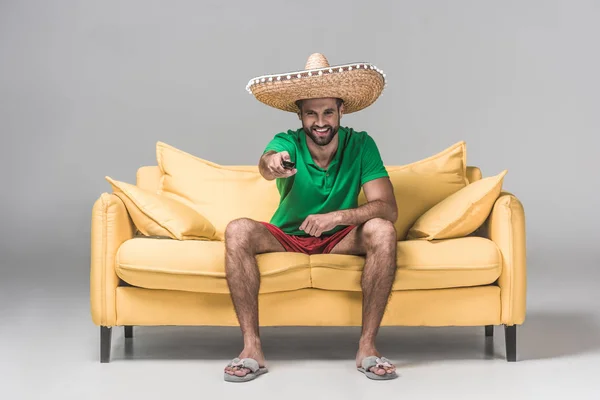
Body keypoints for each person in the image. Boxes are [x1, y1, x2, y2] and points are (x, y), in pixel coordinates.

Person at [223, 53, 398, 382]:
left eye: (328, 112)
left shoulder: (361, 145)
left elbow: (388, 207)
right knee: (237, 230)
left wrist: (337, 217)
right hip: (287, 237)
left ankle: (368, 347)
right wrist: (273, 164)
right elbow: (267, 163)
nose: (321, 122)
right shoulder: (287, 142)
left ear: (341, 110)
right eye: (311, 113)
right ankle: (251, 348)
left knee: (383, 230)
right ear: (300, 114)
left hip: (338, 238)